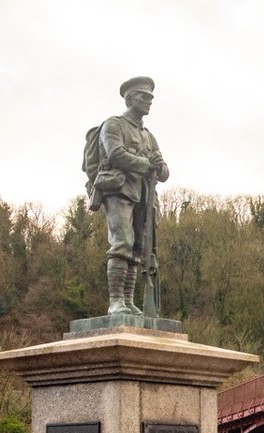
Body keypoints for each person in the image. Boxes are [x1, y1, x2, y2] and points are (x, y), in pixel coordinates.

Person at [87, 76, 169, 317]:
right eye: (145, 97)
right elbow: (116, 155)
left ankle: (129, 301)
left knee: (137, 249)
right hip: (120, 190)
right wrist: (147, 164)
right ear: (131, 98)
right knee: (121, 244)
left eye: (151, 98)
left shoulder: (149, 136)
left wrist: (159, 166)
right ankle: (115, 301)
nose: (149, 102)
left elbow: (164, 171)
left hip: (144, 196)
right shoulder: (114, 125)